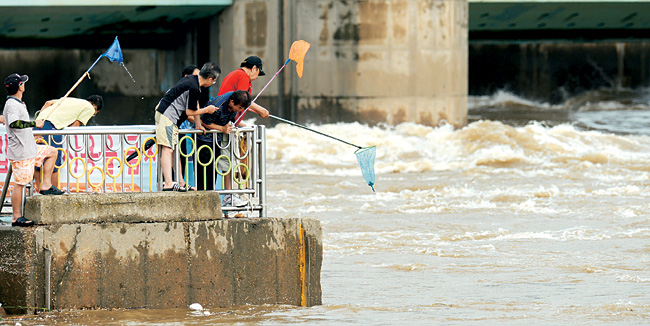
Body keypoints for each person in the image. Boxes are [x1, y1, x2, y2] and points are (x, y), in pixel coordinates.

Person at [3, 73, 64, 227]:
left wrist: (31, 134)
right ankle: (16, 217)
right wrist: (34, 124)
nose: (24, 84)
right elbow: (14, 124)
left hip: (30, 148)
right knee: (21, 184)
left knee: (52, 152)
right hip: (21, 153)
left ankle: (46, 185)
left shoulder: (17, 103)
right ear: (20, 87)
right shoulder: (12, 104)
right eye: (22, 83)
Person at [155, 62, 219, 192]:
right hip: (167, 117)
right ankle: (168, 183)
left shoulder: (192, 81)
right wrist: (207, 110)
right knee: (168, 150)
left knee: (175, 151)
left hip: (169, 118)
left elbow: (193, 104)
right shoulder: (194, 86)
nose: (213, 84)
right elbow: (190, 112)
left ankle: (181, 182)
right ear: (210, 79)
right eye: (214, 81)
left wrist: (198, 124)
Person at [33, 95, 103, 188]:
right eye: (94, 113)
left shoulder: (71, 100)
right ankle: (52, 193)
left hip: (38, 125)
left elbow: (48, 103)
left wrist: (39, 122)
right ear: (95, 108)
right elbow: (75, 126)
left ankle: (38, 190)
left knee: (37, 160)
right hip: (52, 128)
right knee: (54, 163)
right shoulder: (89, 108)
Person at [198, 90, 251, 208]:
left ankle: (215, 202)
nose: (240, 110)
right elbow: (205, 122)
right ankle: (203, 204)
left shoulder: (234, 101)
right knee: (203, 172)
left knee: (213, 172)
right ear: (232, 102)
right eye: (239, 107)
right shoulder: (218, 106)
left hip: (219, 139)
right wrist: (221, 128)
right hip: (205, 139)